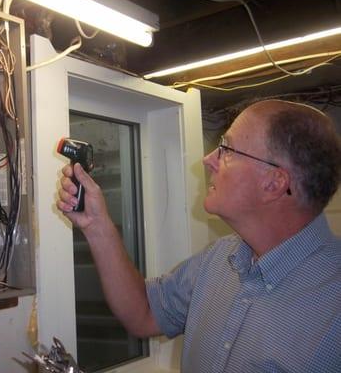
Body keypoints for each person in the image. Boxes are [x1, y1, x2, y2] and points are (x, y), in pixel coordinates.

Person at [56, 99, 341, 372]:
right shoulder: (221, 258)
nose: (208, 159)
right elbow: (143, 313)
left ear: (274, 183)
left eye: (226, 149)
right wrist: (96, 224)